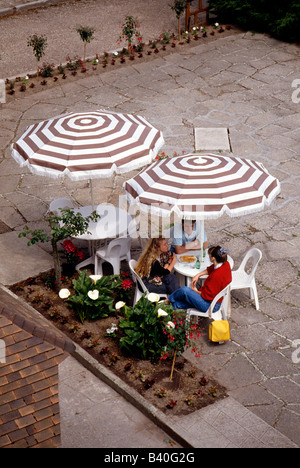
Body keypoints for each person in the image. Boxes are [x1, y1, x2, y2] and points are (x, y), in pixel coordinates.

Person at [168, 246, 232, 312]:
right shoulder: (225, 264)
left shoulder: (216, 276)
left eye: (209, 255)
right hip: (213, 299)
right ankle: (170, 307)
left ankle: (168, 299)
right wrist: (198, 275)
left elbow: (206, 296)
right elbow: (210, 269)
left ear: (213, 258)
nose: (208, 256)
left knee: (185, 290)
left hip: (210, 305)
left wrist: (195, 291)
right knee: (177, 304)